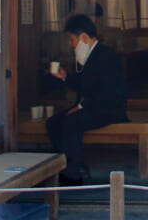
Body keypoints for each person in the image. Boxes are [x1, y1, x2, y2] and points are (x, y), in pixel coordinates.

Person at [47, 14, 128, 185]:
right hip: (92, 107)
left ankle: (73, 173)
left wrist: (82, 106)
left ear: (83, 37)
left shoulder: (105, 56)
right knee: (53, 123)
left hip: (109, 109)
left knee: (72, 122)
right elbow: (83, 85)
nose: (70, 44)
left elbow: (109, 92)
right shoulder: (89, 56)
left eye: (72, 39)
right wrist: (65, 77)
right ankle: (70, 164)